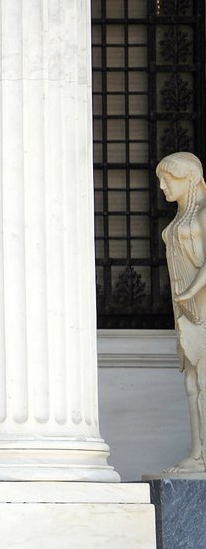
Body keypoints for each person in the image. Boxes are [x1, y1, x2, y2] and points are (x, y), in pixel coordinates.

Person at [156, 151, 206, 474]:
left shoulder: (203, 213)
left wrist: (190, 291)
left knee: (203, 377)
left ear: (188, 179)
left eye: (168, 179)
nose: (162, 186)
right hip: (185, 308)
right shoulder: (180, 218)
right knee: (191, 380)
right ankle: (197, 452)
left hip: (200, 304)